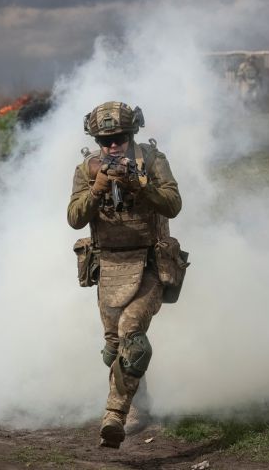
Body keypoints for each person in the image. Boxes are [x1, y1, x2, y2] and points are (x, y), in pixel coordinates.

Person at [67, 101, 183, 449]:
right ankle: (140, 403)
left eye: (119, 138)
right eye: (106, 141)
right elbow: (74, 217)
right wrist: (97, 188)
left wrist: (140, 187)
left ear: (131, 135)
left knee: (132, 336)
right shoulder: (87, 169)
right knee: (114, 348)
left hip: (149, 263)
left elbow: (173, 205)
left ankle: (115, 415)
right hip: (110, 268)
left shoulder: (152, 160)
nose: (112, 146)